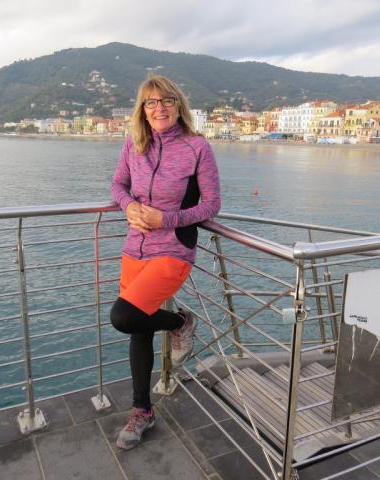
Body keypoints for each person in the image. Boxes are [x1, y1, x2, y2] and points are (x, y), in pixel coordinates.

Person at [110, 75, 221, 449]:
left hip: (172, 250)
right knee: (138, 328)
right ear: (142, 109)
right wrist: (129, 207)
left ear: (178, 105)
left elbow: (211, 204)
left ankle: (180, 322)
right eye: (151, 102)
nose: (159, 108)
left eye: (167, 100)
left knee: (123, 316)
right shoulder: (134, 143)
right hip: (134, 248)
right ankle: (143, 411)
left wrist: (165, 219)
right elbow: (117, 186)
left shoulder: (197, 147)